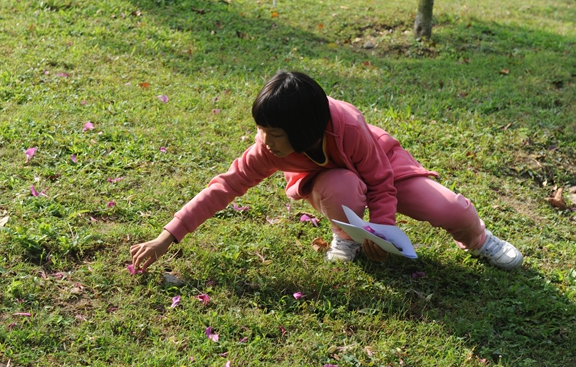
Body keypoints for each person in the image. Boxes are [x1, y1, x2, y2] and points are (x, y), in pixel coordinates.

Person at [131, 71, 523, 271]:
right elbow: (224, 187)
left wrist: (383, 230)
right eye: (262, 131)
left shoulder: (349, 126)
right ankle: (346, 238)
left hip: (382, 164)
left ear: (305, 131)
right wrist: (168, 236)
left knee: (449, 209)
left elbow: (382, 183)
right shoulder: (267, 150)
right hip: (335, 181)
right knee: (341, 184)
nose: (264, 141)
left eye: (274, 134)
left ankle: (479, 239)